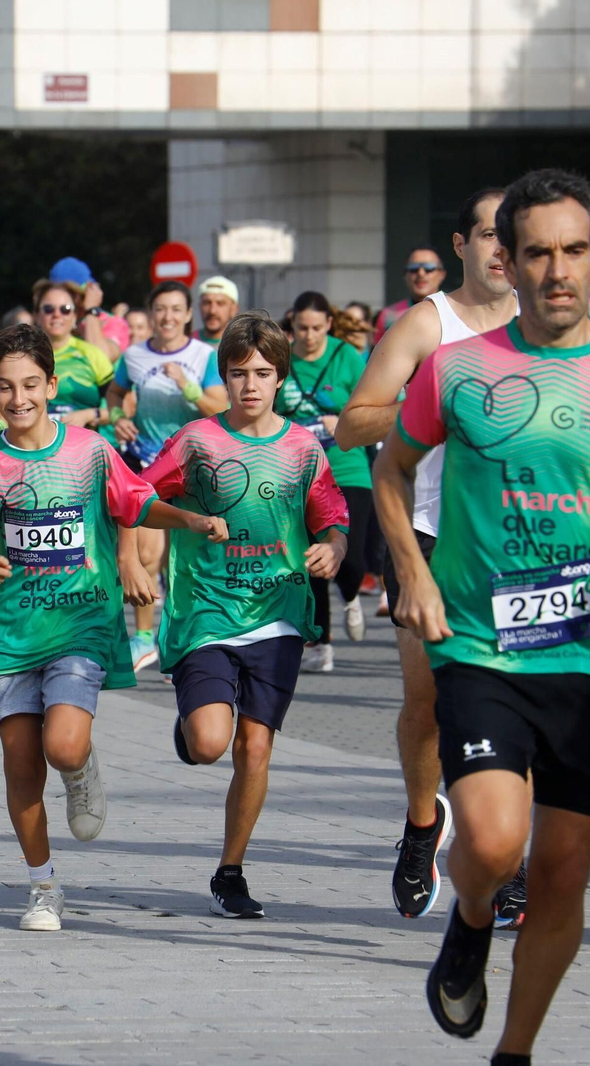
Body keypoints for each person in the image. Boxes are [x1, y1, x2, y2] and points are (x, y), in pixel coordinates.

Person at [372, 168, 590, 1059]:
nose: (557, 269)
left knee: (560, 875)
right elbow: (391, 467)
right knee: (490, 837)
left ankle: (513, 1051)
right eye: (536, 253)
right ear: (506, 263)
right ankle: (472, 913)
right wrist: (414, 569)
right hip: (482, 645)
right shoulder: (458, 369)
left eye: (572, 250)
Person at [0, 323, 228, 930]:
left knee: (62, 746)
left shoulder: (88, 449)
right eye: (4, 387)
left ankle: (80, 768)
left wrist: (187, 520)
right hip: (8, 639)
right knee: (21, 766)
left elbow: (135, 502)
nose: (19, 398)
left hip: (81, 623)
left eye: (31, 383)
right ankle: (43, 885)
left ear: (52, 384)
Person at [337, 188, 518, 922]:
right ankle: (422, 824)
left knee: (517, 706)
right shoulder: (427, 323)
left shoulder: (552, 323)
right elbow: (353, 425)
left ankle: (509, 864)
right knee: (429, 702)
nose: (501, 248)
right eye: (486, 235)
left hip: (522, 538)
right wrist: (430, 405)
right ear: (460, 245)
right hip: (431, 531)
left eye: (514, 235)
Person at [145, 310, 348, 917]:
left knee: (254, 747)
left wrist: (332, 548)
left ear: (281, 376)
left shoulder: (301, 446)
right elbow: (139, 497)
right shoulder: (198, 441)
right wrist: (177, 530)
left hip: (279, 610)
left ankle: (230, 872)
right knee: (211, 743)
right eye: (238, 373)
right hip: (205, 608)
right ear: (224, 378)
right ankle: (190, 728)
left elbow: (332, 514)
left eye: (263, 372)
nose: (251, 385)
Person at [107, 282, 229, 671]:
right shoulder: (134, 355)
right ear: (151, 313)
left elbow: (220, 406)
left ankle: (187, 638)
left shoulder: (203, 355)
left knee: (185, 560)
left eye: (176, 309)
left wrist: (187, 385)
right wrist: (118, 418)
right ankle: (143, 637)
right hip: (147, 464)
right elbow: (113, 395)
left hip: (194, 466)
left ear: (188, 314)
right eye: (161, 309)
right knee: (146, 552)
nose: (168, 317)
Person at [279, 291, 372, 671]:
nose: (309, 336)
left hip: (348, 468)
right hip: (301, 472)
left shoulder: (345, 356)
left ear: (329, 325)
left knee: (351, 558)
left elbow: (378, 402)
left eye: (317, 328)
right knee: (314, 556)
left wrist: (345, 419)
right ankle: (322, 641)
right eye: (301, 328)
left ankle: (351, 597)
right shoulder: (282, 359)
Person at [32, 282, 117, 437]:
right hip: (36, 451)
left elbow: (123, 408)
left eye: (65, 309)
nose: (57, 314)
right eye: (49, 309)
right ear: (37, 315)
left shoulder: (92, 354)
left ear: (75, 316)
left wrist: (90, 415)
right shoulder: (25, 357)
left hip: (84, 450)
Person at [47, 257, 122, 359]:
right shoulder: (49, 321)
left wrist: (91, 309)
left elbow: (101, 359)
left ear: (90, 290)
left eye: (73, 293)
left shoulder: (112, 322)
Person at [373, 248, 447, 344]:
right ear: (405, 274)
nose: (420, 273)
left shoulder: (454, 311)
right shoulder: (388, 316)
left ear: (442, 274)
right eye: (414, 268)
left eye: (428, 268)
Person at [194, 276, 239, 349]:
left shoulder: (242, 346)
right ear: (200, 306)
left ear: (234, 309)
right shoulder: (185, 344)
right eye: (207, 303)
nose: (212, 311)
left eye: (220, 303)